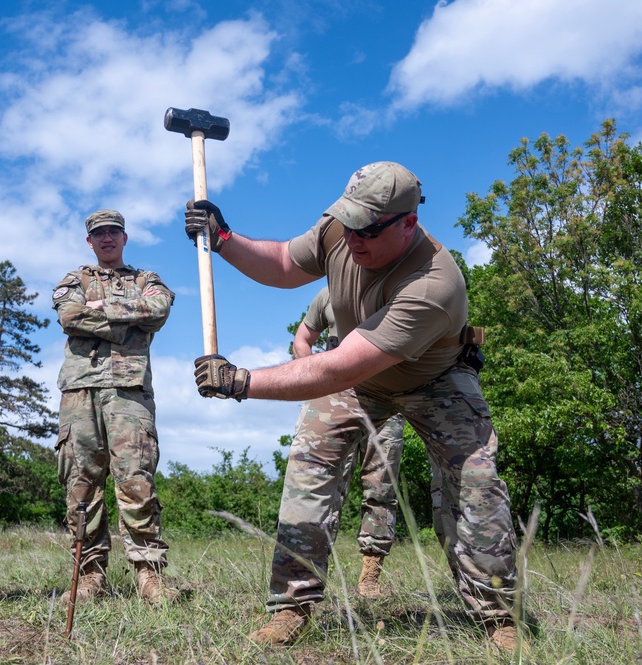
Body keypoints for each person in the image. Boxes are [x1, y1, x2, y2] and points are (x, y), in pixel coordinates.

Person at [184, 162, 523, 652]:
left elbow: (338, 368)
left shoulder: (434, 284)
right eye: (347, 222)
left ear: (408, 223)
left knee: (475, 484)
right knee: (309, 464)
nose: (353, 237)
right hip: (359, 379)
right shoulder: (342, 228)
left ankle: (497, 617)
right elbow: (283, 262)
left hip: (434, 379)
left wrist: (240, 381)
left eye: (368, 228)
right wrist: (224, 239)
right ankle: (291, 608)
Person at [52, 209, 178, 606]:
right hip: (81, 390)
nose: (107, 238)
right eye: (99, 234)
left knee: (135, 478)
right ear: (90, 241)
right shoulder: (75, 279)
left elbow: (158, 310)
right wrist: (127, 323)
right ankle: (90, 574)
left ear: (125, 238)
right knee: (80, 482)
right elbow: (69, 317)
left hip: (129, 390)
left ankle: (149, 574)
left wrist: (101, 314)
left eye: (114, 232)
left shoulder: (147, 280)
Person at [292, 285, 405, 600]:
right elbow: (303, 337)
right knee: (322, 487)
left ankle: (370, 576)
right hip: (335, 397)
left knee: (382, 488)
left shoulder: (395, 285)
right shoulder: (328, 294)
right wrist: (311, 375)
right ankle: (310, 576)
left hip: (387, 396)